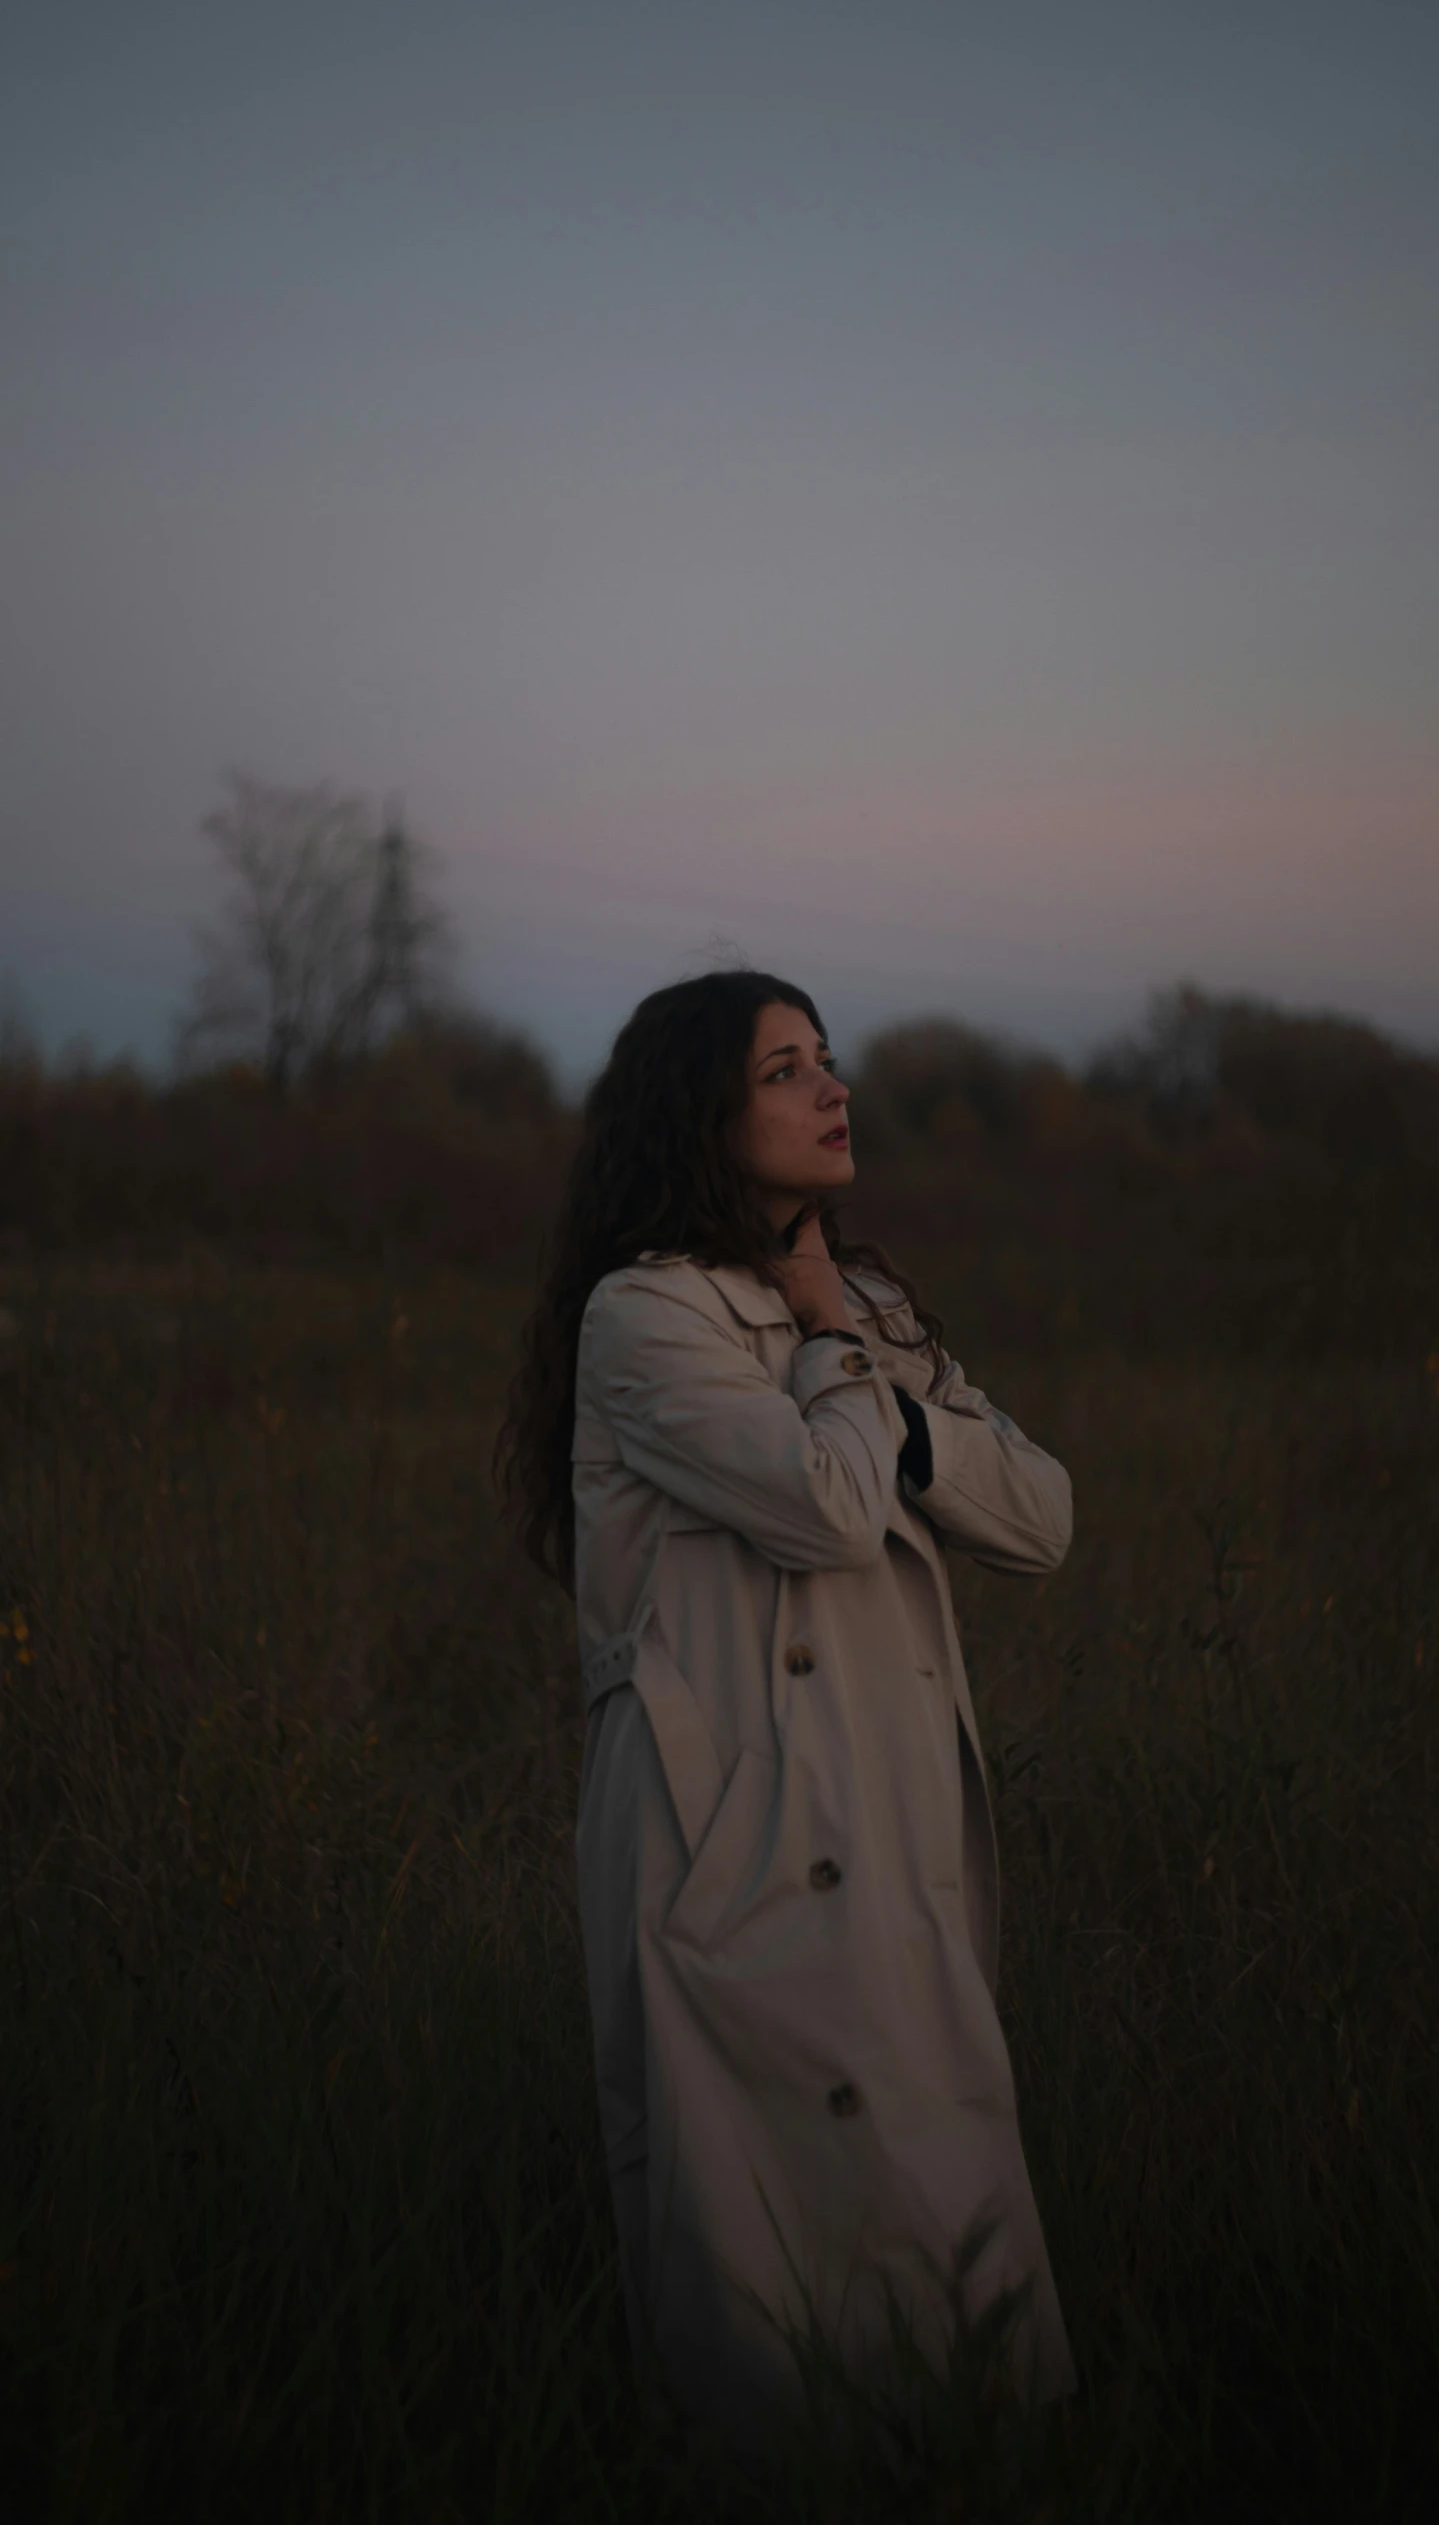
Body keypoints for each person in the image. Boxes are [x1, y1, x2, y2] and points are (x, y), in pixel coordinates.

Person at [499, 969, 1075, 2451]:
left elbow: (1039, 1512)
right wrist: (836, 1347)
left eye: (829, 1058)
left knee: (934, 2189)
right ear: (701, 1110)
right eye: (783, 1068)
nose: (832, 1088)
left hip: (883, 1807)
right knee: (764, 2248)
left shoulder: (862, 1294)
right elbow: (826, 1507)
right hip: (728, 1826)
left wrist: (847, 1337)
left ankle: (975, 2467)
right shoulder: (641, 1313)